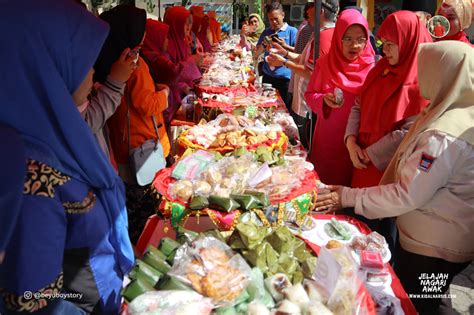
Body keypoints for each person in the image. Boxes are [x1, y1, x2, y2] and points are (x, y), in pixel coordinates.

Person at [315, 41, 474, 315]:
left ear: (442, 73)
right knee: (427, 294)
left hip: (433, 247)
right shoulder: (453, 111)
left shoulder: (443, 136)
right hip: (440, 235)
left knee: (425, 300)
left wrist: (347, 196)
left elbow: (406, 193)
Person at [0, 1, 134, 314]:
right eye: (84, 61)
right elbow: (32, 300)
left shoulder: (56, 134)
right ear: (43, 65)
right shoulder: (32, 175)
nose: (92, 71)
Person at [343, 11, 432, 250]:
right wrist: (351, 142)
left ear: (409, 42)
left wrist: (370, 153)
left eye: (392, 45)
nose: (385, 51)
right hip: (360, 160)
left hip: (385, 167)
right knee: (357, 224)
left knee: (380, 232)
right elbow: (358, 104)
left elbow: (410, 131)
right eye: (384, 44)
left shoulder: (422, 81)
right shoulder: (379, 70)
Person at [97, 5, 171, 244]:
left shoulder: (111, 60)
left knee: (133, 200)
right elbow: (145, 104)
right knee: (144, 204)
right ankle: (144, 245)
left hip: (123, 144)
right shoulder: (134, 65)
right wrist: (164, 95)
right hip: (141, 145)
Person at [304, 9, 375, 186]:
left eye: (361, 40)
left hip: (360, 142)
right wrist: (323, 100)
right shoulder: (325, 64)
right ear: (338, 38)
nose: (355, 45)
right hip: (328, 139)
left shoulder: (374, 68)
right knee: (324, 190)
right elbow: (310, 94)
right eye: (348, 39)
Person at [267, 0, 338, 148]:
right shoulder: (319, 33)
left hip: (308, 106)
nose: (306, 14)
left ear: (321, 11)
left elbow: (310, 73)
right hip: (304, 102)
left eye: (311, 7)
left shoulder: (323, 37)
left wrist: (284, 62)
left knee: (303, 146)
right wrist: (284, 53)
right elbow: (302, 58)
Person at [256, 2, 298, 108]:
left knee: (284, 111)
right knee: (265, 107)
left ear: (283, 15)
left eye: (276, 18)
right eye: (271, 19)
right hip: (268, 78)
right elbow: (257, 53)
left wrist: (284, 47)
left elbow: (298, 54)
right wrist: (265, 44)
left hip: (285, 80)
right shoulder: (266, 32)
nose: (274, 22)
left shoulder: (292, 32)